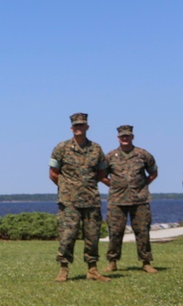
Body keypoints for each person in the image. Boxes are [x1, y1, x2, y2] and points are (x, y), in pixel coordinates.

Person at [49, 113, 109, 282]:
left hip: (91, 200)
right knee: (67, 236)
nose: (78, 128)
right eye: (76, 125)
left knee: (92, 237)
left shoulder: (96, 149)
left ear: (87, 127)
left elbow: (102, 172)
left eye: (81, 125)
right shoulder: (61, 148)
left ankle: (92, 269)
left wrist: (86, 184)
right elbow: (53, 174)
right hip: (69, 201)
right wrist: (68, 188)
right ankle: (63, 269)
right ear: (71, 128)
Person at [102, 125, 158, 273]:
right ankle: (112, 262)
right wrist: (113, 184)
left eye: (127, 136)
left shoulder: (142, 154)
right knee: (115, 232)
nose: (125, 138)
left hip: (140, 199)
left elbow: (153, 172)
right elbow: (101, 175)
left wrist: (143, 185)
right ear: (118, 138)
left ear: (132, 137)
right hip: (117, 200)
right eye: (122, 136)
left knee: (142, 231)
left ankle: (146, 262)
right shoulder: (110, 156)